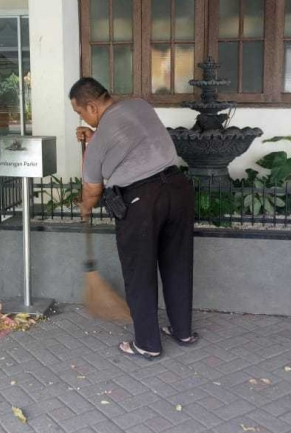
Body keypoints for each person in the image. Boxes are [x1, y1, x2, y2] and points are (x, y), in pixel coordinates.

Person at [71, 77, 198, 360]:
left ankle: (148, 344)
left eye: (80, 112)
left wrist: (85, 207)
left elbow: (92, 188)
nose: (82, 118)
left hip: (142, 201)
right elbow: (131, 140)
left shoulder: (101, 137)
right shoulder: (140, 105)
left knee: (139, 273)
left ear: (91, 106)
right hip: (178, 190)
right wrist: (95, 139)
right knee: (177, 263)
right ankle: (183, 331)